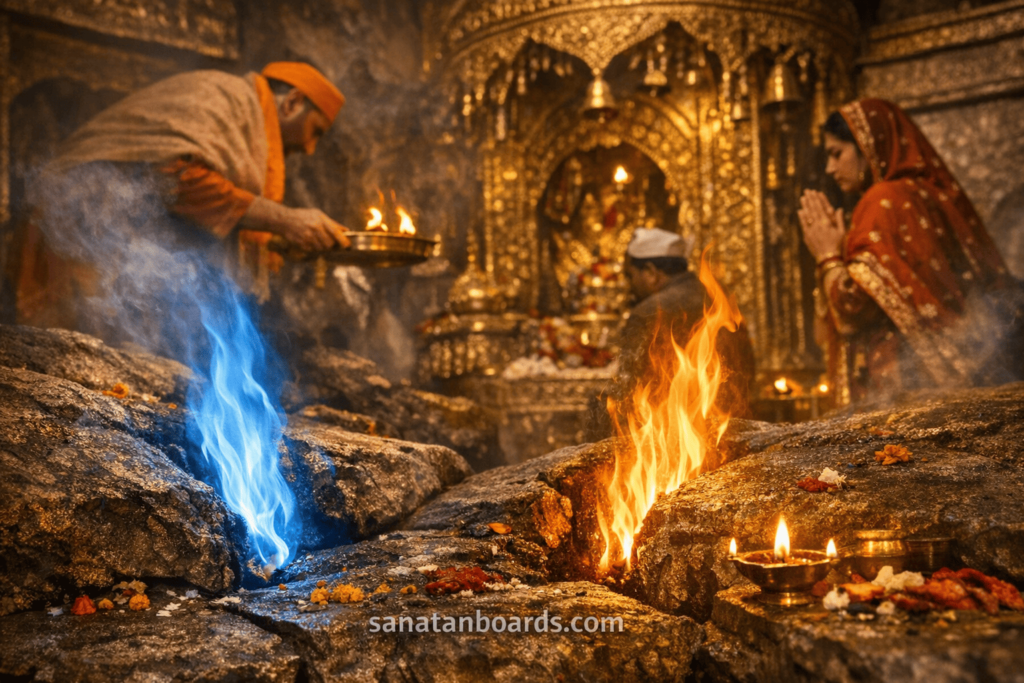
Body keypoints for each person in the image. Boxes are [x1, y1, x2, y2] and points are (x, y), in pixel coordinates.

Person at [9, 61, 351, 332]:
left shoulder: (245, 115)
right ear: (293, 103)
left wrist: (285, 238)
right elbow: (173, 179)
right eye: (315, 132)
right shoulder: (225, 98)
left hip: (114, 253)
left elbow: (202, 211)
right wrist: (284, 220)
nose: (310, 148)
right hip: (72, 230)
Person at [799, 98, 1018, 407]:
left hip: (904, 385)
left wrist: (827, 256)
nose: (830, 168)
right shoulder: (927, 194)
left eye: (837, 154)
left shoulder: (882, 201)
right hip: (963, 373)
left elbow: (853, 307)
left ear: (868, 145)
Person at [615, 227, 755, 419]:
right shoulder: (719, 298)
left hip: (675, 427)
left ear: (650, 272)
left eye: (630, 276)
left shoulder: (648, 311)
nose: (630, 286)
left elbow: (630, 386)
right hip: (735, 419)